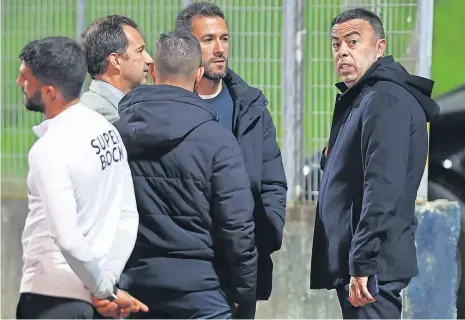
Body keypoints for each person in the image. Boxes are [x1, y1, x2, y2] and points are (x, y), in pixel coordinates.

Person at [93, 30, 258, 319]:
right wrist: (243, 296)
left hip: (134, 291)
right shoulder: (218, 141)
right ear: (198, 74)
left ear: (153, 70)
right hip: (202, 294)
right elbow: (237, 229)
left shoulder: (115, 136)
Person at [310, 8, 440, 319]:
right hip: (365, 263)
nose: (343, 51)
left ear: (379, 47)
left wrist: (363, 262)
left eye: (353, 42)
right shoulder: (365, 96)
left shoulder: (384, 99)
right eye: (336, 44)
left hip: (372, 269)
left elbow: (382, 187)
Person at [15, 36, 148, 319]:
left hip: (49, 299)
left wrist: (103, 289)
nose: (19, 83)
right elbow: (127, 215)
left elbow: (69, 239)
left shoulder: (49, 150)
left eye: (26, 78)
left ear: (50, 92)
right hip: (86, 299)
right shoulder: (107, 130)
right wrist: (107, 282)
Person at [175, 3, 288, 318]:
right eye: (208, 40)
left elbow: (273, 180)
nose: (219, 48)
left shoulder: (250, 107)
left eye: (224, 39)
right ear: (186, 46)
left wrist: (266, 234)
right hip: (188, 270)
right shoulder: (169, 108)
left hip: (241, 267)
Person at [79, 15, 153, 123]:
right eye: (139, 51)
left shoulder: (121, 106)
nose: (149, 59)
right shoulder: (99, 115)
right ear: (116, 61)